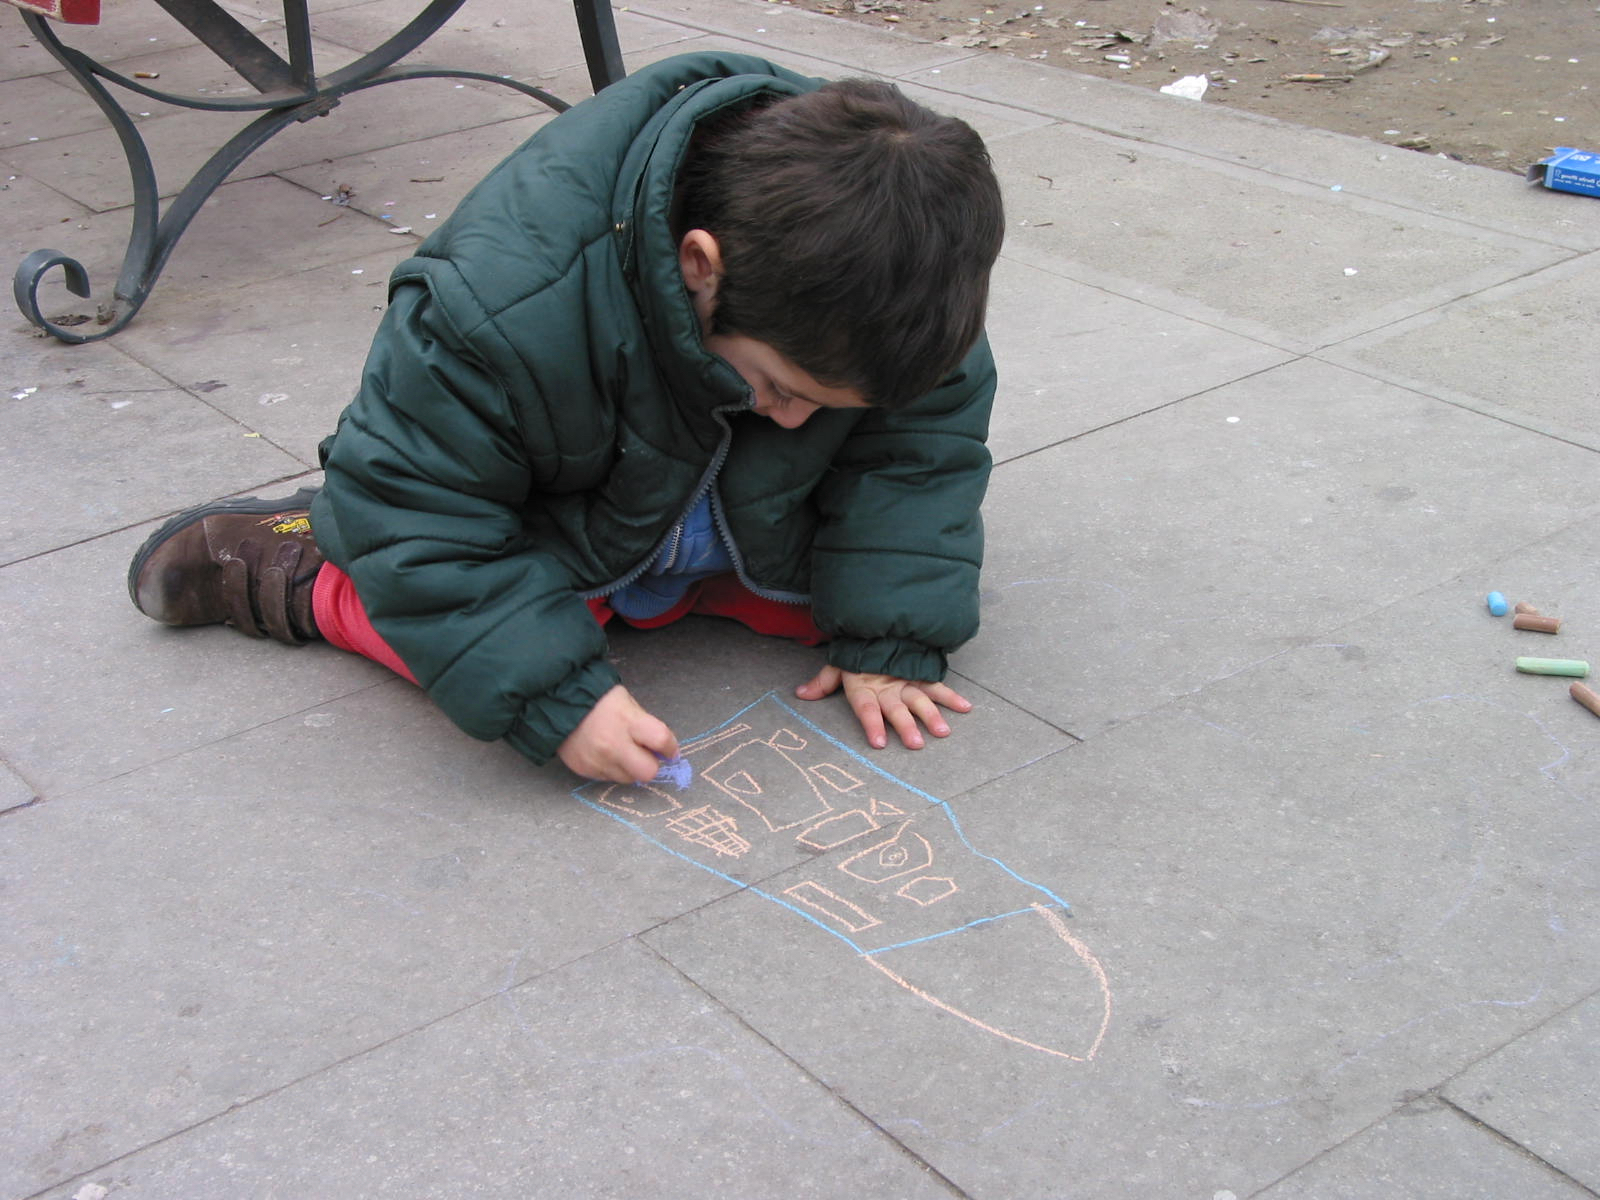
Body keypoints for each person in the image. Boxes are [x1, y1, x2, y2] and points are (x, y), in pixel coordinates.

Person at [128, 51, 1005, 786]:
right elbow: (415, 508)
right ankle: (308, 576)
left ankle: (668, 590)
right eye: (780, 383)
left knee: (868, 604)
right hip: (555, 517)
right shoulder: (499, 302)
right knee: (476, 633)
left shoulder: (902, 294)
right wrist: (560, 701)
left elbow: (920, 455)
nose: (793, 417)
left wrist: (890, 634)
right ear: (702, 266)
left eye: (825, 405)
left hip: (721, 510)